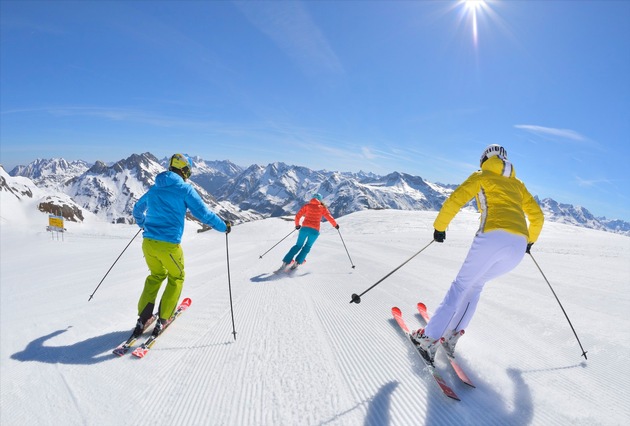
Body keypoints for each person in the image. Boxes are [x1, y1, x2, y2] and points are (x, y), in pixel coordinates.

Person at [411, 144, 544, 364]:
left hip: (492, 236)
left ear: (484, 159)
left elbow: (455, 200)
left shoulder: (481, 175)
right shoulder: (518, 184)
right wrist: (529, 241)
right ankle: (452, 334)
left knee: (461, 285)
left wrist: (440, 227)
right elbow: (537, 216)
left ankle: (429, 338)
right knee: (476, 285)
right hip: (518, 246)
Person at [132, 153, 231, 337]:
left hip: (148, 243)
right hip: (169, 245)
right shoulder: (185, 189)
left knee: (156, 275)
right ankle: (163, 318)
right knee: (176, 277)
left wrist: (144, 224)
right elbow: (204, 214)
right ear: (184, 170)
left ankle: (143, 318)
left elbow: (137, 209)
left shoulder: (154, 188)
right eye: (189, 171)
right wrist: (223, 226)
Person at [279, 193, 339, 271]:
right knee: (307, 247)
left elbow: (298, 216)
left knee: (298, 245)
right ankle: (298, 261)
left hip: (304, 229)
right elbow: (329, 217)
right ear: (320, 200)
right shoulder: (323, 208)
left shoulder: (307, 206)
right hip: (314, 231)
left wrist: (297, 225)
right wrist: (335, 225)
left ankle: (286, 262)